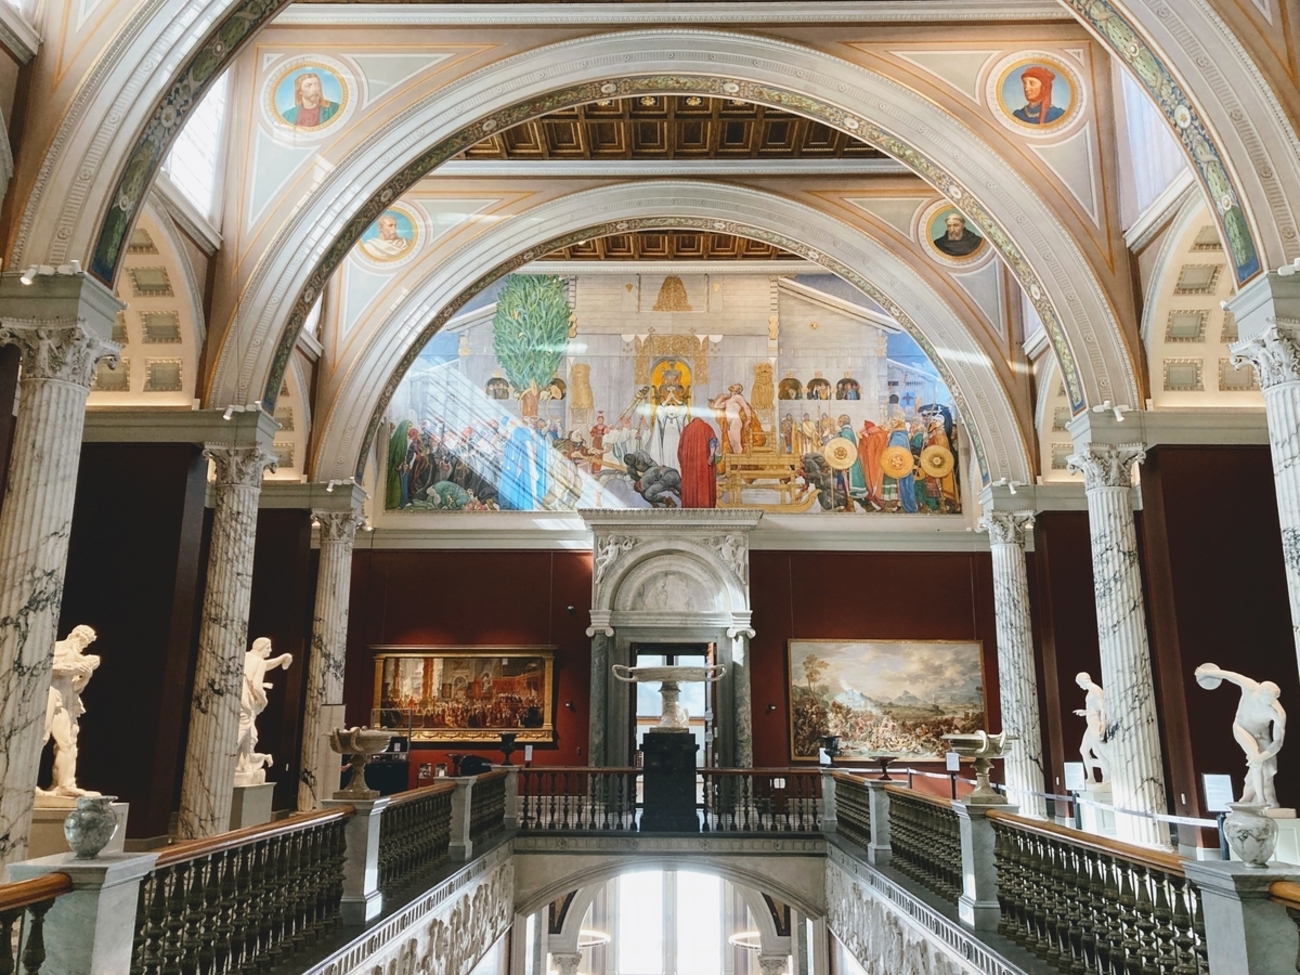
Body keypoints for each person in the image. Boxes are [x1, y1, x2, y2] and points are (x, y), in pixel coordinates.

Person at [1195, 663, 1287, 807]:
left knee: (1269, 767)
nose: (1269, 702)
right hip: (1242, 728)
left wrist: (1262, 756)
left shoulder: (1277, 713)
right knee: (1256, 761)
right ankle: (1261, 801)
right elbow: (1230, 676)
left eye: (1272, 699)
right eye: (1267, 698)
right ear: (1260, 692)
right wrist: (1206, 672)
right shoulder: (1251, 687)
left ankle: (1261, 797)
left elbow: (1278, 742)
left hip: (1261, 734)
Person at [37, 625, 101, 797]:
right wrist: (72, 668)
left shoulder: (80, 658)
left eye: (86, 643)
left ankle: (64, 784)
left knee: (68, 742)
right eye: (83, 641)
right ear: (75, 635)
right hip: (49, 692)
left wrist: (85, 676)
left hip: (65, 698)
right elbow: (44, 668)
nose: (83, 645)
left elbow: (74, 687)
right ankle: (25, 782)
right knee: (41, 736)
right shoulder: (58, 648)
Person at [236, 638, 293, 786]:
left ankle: (243, 766)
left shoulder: (246, 656)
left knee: (250, 735)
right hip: (246, 701)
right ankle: (226, 759)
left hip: (237, 696)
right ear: (261, 648)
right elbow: (256, 686)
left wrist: (282, 658)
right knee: (242, 731)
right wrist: (263, 699)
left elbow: (263, 665)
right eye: (268, 648)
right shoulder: (258, 662)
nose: (271, 650)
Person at [1074, 672, 1110, 785]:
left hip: (1095, 724)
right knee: (1083, 750)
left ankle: (1108, 776)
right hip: (1090, 725)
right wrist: (1085, 712)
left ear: (1083, 681)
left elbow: (1103, 709)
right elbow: (1094, 709)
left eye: (1079, 684)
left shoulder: (1096, 690)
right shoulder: (1091, 691)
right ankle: (1091, 777)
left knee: (1098, 751)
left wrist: (1103, 725)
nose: (1080, 686)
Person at [677, 416, 719, 508]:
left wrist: (683, 463)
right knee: (704, 486)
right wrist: (711, 456)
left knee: (690, 487)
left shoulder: (686, 430)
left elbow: (680, 451)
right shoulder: (707, 428)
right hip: (704, 466)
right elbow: (713, 442)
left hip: (689, 467)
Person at [709, 384, 756, 455]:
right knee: (732, 444)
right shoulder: (728, 400)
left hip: (735, 421)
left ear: (738, 389)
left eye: (735, 385)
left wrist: (749, 419)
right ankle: (736, 460)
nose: (733, 385)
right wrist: (722, 397)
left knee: (737, 443)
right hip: (729, 424)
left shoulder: (738, 397)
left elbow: (746, 407)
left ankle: (740, 461)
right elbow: (716, 406)